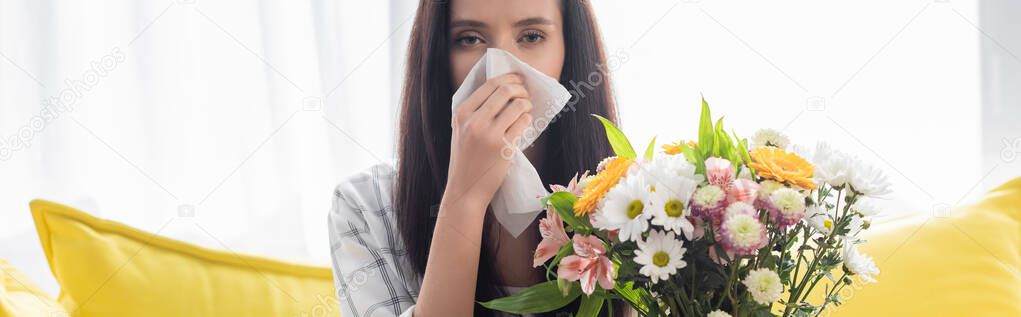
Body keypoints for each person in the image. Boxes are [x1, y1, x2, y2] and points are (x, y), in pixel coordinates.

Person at [328, 0, 630, 316]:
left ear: (570, 47)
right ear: (437, 55)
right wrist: (465, 197)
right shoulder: (366, 206)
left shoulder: (631, 199)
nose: (500, 68)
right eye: (470, 39)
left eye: (531, 36)